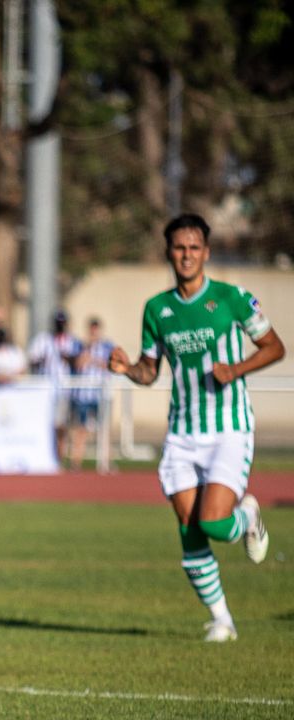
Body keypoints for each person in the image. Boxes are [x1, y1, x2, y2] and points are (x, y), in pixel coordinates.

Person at [109, 213, 282, 642]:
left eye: (194, 247)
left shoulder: (232, 298)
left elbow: (274, 346)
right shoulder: (158, 309)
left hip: (228, 429)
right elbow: (150, 371)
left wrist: (237, 368)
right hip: (182, 433)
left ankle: (247, 516)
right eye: (178, 247)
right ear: (169, 252)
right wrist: (127, 368)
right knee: (189, 531)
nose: (186, 255)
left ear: (206, 252)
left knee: (214, 523)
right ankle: (222, 621)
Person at [28, 310, 83, 466]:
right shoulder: (44, 339)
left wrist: (70, 359)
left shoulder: (72, 341)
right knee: (45, 424)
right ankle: (45, 455)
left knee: (60, 425)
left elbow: (80, 361)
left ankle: (59, 457)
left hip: (63, 390)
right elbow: (32, 358)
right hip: (44, 391)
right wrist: (40, 360)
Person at [66, 317, 111, 469]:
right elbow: (77, 363)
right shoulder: (80, 346)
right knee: (81, 429)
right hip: (83, 395)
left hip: (101, 394)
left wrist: (94, 360)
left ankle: (105, 462)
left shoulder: (107, 347)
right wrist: (87, 351)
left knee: (104, 429)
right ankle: (76, 462)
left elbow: (110, 366)